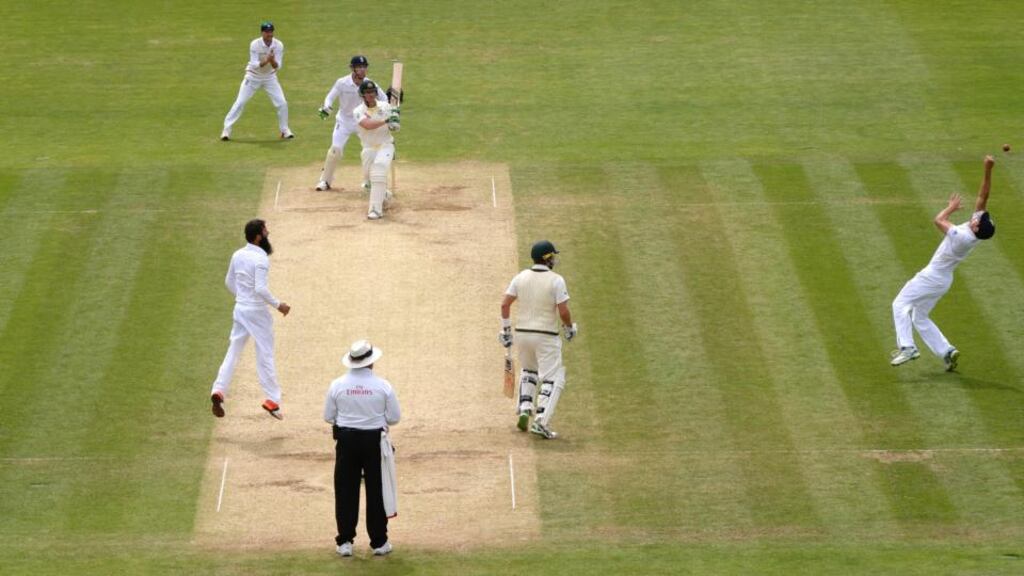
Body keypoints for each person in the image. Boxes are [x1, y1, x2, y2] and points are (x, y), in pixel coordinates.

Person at [890, 155, 996, 370]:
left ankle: (907, 347)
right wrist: (988, 168)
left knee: (899, 304)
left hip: (931, 277)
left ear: (976, 228)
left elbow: (938, 220)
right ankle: (947, 351)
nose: (977, 216)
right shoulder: (974, 229)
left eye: (979, 219)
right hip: (943, 281)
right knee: (920, 316)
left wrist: (950, 208)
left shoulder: (963, 236)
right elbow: (983, 196)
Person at [324, 340, 401, 558]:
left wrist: (350, 420)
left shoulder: (337, 384)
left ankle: (345, 541)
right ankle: (379, 542)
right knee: (376, 489)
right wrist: (372, 420)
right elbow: (394, 417)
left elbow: (328, 416)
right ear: (371, 363)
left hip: (346, 442)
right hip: (373, 442)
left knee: (346, 490)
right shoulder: (383, 386)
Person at [210, 219, 291, 419]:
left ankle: (219, 389)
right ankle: (273, 399)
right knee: (265, 353)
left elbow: (229, 281)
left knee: (234, 350)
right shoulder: (261, 259)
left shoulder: (237, 254)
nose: (268, 234)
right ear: (257, 237)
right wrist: (279, 305)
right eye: (265, 232)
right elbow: (260, 289)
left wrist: (243, 298)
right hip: (256, 312)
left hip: (240, 309)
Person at [499, 240, 578, 439]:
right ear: (548, 258)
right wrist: (569, 327)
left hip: (522, 334)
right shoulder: (556, 280)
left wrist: (506, 330)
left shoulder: (520, 277)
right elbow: (563, 311)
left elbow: (505, 305)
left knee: (529, 370)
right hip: (546, 336)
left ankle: (525, 408)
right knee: (554, 378)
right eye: (553, 256)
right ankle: (541, 421)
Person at [315, 55, 388, 191]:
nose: (362, 70)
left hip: (363, 121)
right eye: (359, 67)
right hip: (344, 121)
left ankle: (368, 181)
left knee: (369, 152)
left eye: (364, 67)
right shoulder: (342, 83)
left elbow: (385, 100)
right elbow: (330, 97)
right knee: (335, 150)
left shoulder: (370, 84)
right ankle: (325, 181)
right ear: (352, 68)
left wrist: (393, 97)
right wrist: (327, 106)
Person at [220, 21, 294, 141]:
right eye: (267, 32)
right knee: (240, 102)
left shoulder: (278, 45)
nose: (269, 34)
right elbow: (254, 64)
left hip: (270, 78)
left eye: (271, 31)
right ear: (262, 33)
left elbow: (278, 66)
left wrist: (272, 61)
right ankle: (226, 130)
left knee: (282, 103)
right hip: (253, 77)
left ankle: (285, 130)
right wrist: (267, 60)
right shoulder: (255, 44)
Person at [352, 79, 400, 220]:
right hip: (368, 148)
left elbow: (395, 127)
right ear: (362, 95)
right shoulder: (357, 111)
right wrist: (386, 120)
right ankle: (383, 193)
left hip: (386, 145)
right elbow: (367, 125)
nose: (370, 95)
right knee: (368, 181)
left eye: (372, 92)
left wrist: (395, 118)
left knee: (379, 170)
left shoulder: (386, 106)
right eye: (367, 92)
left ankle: (375, 209)